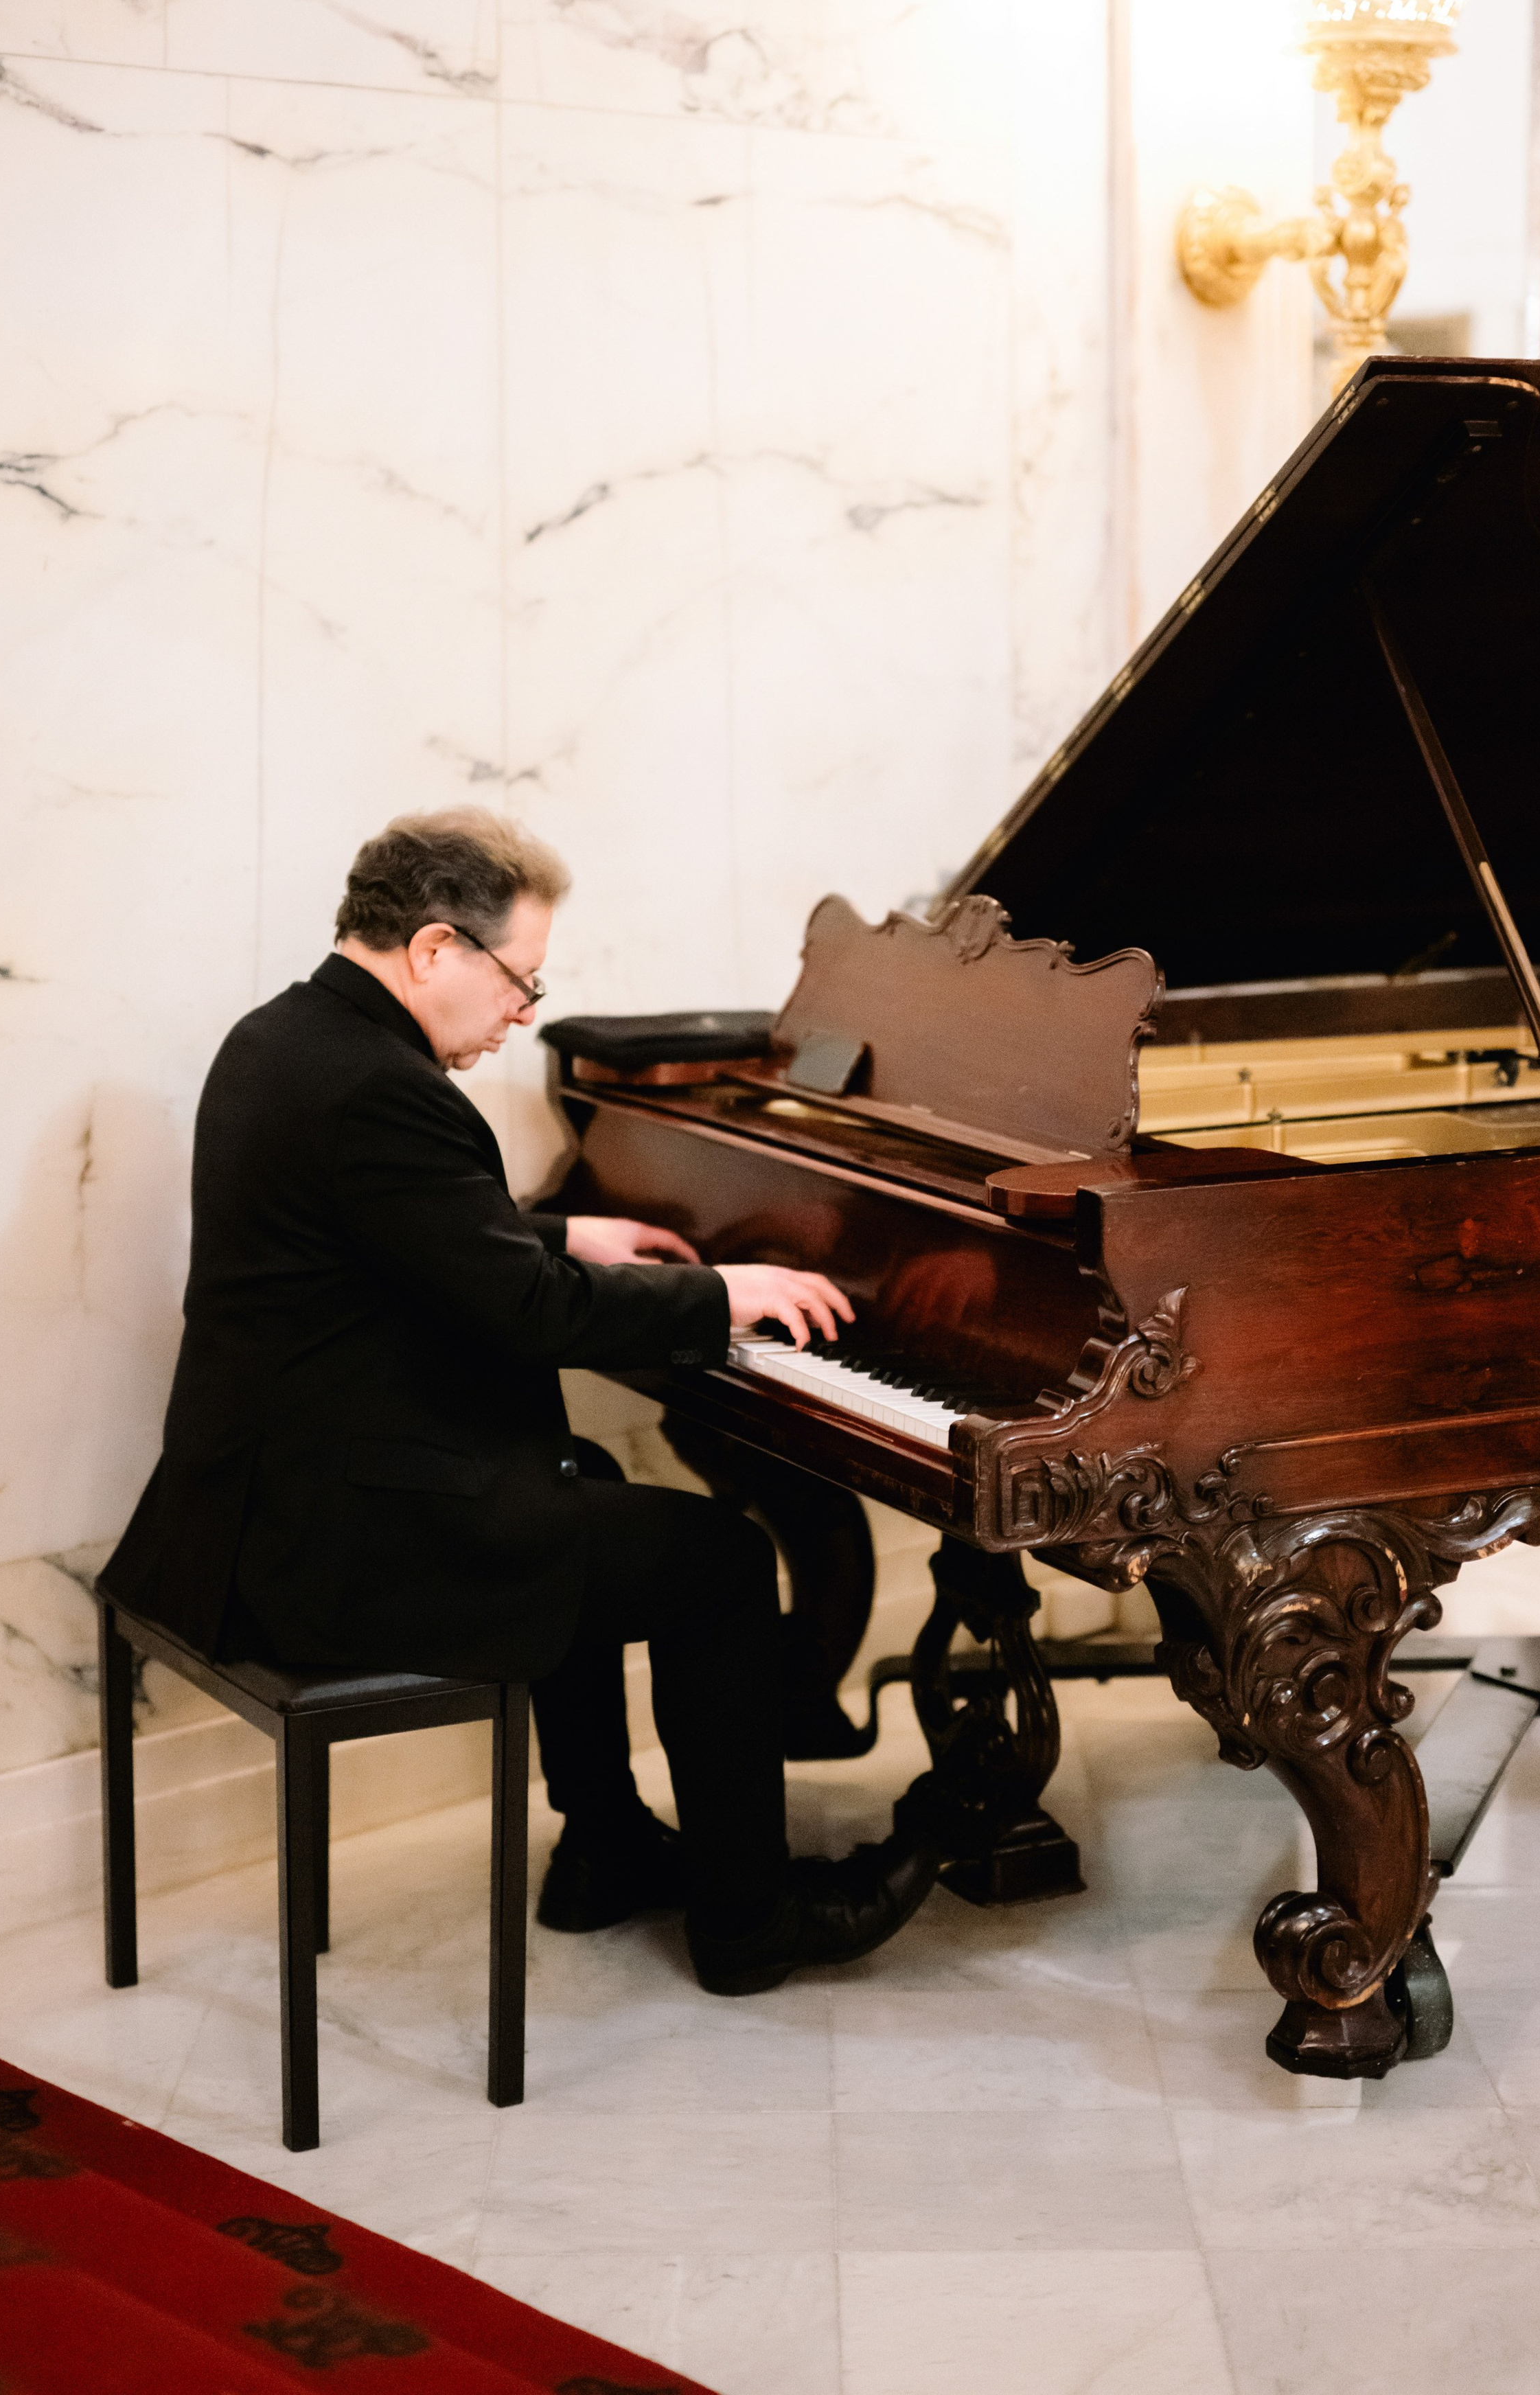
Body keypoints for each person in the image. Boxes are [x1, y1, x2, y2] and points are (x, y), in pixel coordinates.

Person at [99, 807, 936, 1995]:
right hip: (327, 1547)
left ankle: (605, 1847)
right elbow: (528, 1315)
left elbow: (406, 1239)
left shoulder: (282, 1039)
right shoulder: (384, 1089)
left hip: (254, 1504)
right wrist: (722, 1294)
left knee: (583, 1480)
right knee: (722, 1562)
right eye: (519, 980)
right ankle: (751, 1921)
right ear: (435, 947)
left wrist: (562, 1232)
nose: (526, 1013)